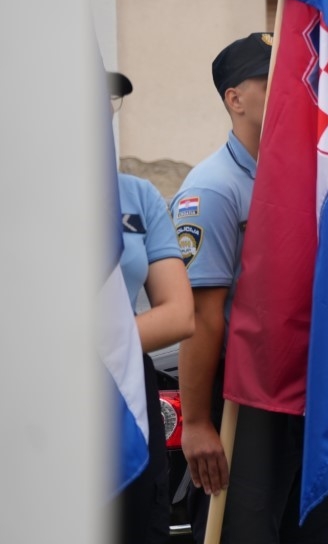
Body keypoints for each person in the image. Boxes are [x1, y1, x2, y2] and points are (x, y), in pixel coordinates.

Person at [175, 33, 328, 543]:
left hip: (304, 379)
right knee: (246, 531)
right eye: (272, 83)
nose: (292, 94)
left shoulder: (303, 174)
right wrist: (198, 422)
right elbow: (201, 318)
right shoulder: (213, 188)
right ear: (234, 98)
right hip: (243, 394)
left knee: (309, 527)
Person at [109, 70, 196, 544]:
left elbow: (179, 313)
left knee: (139, 524)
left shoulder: (138, 196)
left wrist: (100, 347)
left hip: (125, 386)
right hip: (42, 391)